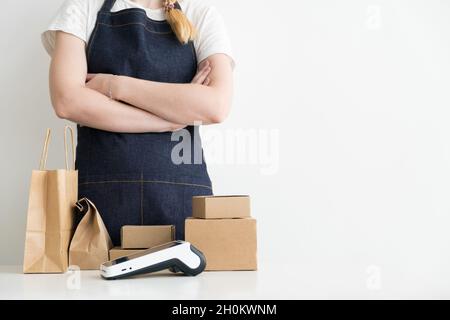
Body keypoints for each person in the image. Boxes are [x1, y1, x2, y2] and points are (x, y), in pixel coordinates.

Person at [42, 0, 235, 244]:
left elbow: (215, 106)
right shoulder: (82, 7)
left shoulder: (201, 14)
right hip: (99, 216)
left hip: (183, 209)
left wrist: (115, 86)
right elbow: (66, 101)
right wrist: (166, 120)